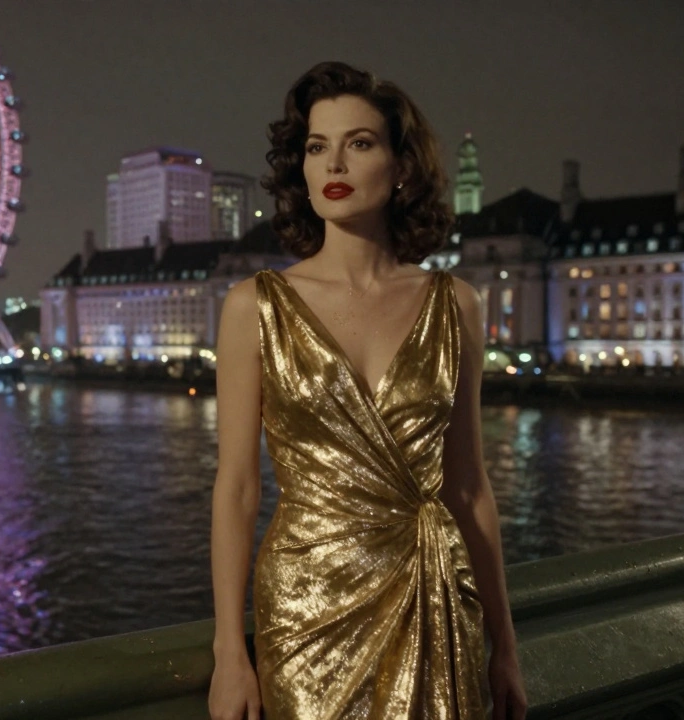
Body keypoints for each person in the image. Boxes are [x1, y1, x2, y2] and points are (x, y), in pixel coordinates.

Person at [208, 61, 527, 719]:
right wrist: (228, 654)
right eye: (317, 147)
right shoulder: (255, 307)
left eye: (359, 143)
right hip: (306, 612)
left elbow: (468, 485)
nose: (334, 163)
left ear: (401, 165)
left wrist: (506, 644)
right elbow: (237, 488)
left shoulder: (455, 304)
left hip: (433, 594)